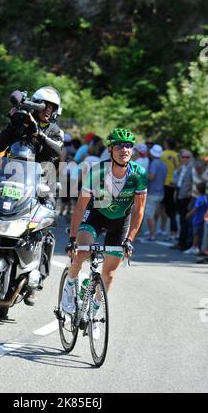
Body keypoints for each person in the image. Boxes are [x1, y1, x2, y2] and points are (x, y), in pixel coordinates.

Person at [62, 128, 147, 337]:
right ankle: (70, 285)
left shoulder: (138, 174)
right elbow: (81, 206)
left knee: (108, 275)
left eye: (128, 146)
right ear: (110, 149)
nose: (124, 149)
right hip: (95, 215)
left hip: (120, 222)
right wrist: (73, 238)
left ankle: (95, 313)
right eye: (119, 145)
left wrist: (129, 240)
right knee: (82, 253)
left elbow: (139, 211)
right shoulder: (98, 171)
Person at [0, 86, 64, 306]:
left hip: (42, 186)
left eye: (52, 107)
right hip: (11, 181)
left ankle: (36, 280)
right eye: (44, 105)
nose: (47, 110)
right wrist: (13, 125)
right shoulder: (20, 122)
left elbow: (58, 153)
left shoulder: (55, 130)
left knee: (45, 228)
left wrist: (37, 134)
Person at [171, 149, 193, 250]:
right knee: (182, 220)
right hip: (180, 195)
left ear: (191, 158)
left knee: (186, 221)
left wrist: (191, 192)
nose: (185, 159)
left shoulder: (192, 168)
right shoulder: (182, 167)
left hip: (187, 197)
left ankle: (185, 244)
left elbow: (198, 181)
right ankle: (181, 242)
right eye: (183, 157)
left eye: (187, 157)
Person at [144, 144, 167, 241]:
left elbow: (152, 176)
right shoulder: (163, 164)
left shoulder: (154, 163)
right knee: (155, 213)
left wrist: (143, 175)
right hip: (161, 192)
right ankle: (154, 231)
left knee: (150, 215)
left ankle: (152, 235)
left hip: (153, 193)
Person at [161, 138, 180, 240]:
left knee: (164, 209)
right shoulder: (177, 155)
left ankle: (162, 230)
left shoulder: (162, 154)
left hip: (164, 184)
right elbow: (179, 168)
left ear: (167, 144)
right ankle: (170, 231)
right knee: (170, 209)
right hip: (173, 184)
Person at [184, 182, 208, 255]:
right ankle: (198, 247)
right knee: (200, 234)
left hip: (197, 218)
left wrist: (189, 214)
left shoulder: (199, 199)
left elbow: (196, 208)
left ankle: (194, 247)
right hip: (203, 218)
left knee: (195, 234)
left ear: (198, 190)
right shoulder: (205, 198)